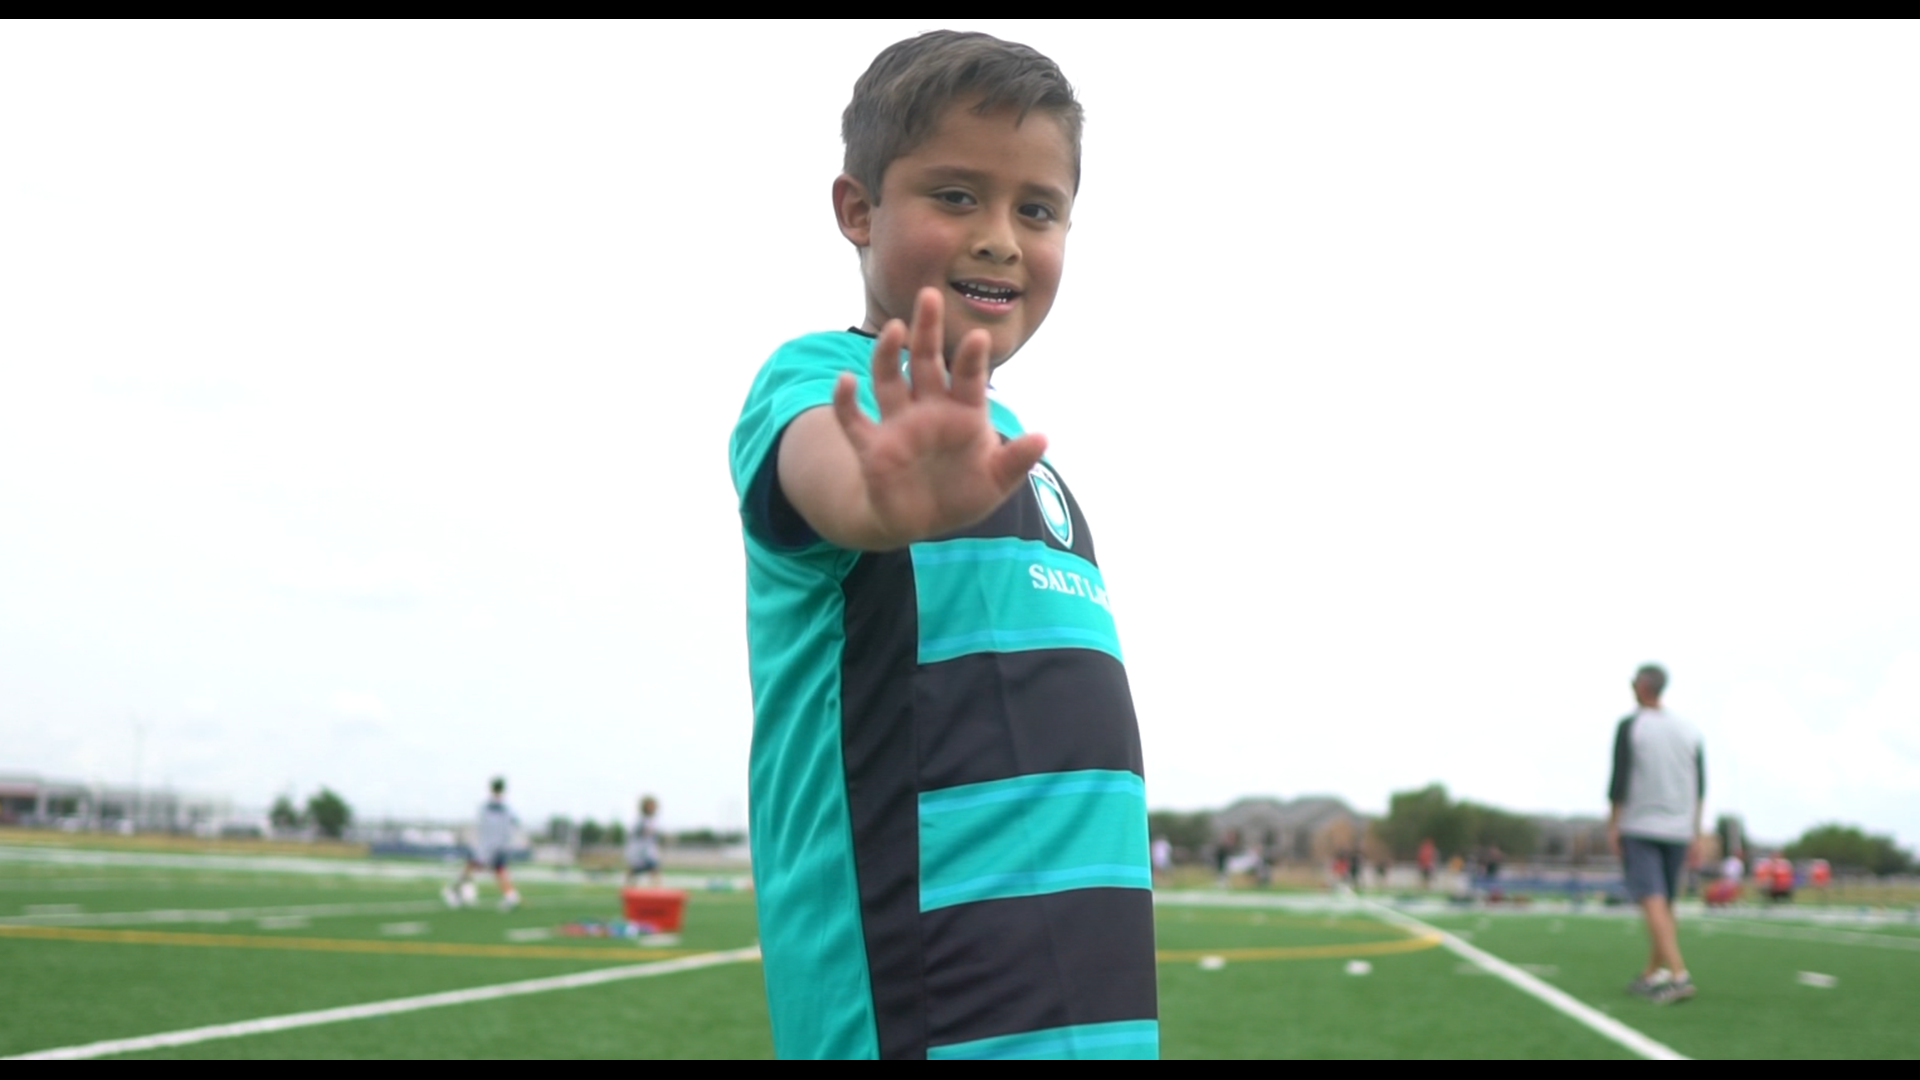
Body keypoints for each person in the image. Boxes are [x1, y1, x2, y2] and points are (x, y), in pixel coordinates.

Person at [727, 32, 1155, 1059]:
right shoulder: (824, 389)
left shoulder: (1015, 455)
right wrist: (885, 501)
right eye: (956, 196)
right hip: (928, 1020)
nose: (1002, 238)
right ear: (858, 210)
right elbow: (835, 481)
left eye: (1037, 209)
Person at [1608, 664, 1704, 1004]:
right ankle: (1652, 972)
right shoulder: (1688, 729)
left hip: (1641, 825)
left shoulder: (1631, 725)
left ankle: (1678, 974)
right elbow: (1700, 786)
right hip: (1679, 828)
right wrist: (1696, 830)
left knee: (1652, 899)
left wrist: (1613, 824)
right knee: (1665, 903)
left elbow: (1618, 781)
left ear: (1643, 686)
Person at [444, 777, 520, 912]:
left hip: (488, 845)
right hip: (492, 846)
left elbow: (484, 827)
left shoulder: (488, 807)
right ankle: (509, 895)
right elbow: (508, 827)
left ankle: (456, 890)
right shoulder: (502, 809)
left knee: (488, 868)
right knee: (491, 868)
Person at [625, 795, 662, 887]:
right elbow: (636, 834)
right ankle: (629, 888)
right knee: (635, 870)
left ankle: (655, 888)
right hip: (639, 850)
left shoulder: (652, 820)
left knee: (654, 868)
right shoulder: (641, 820)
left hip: (648, 850)